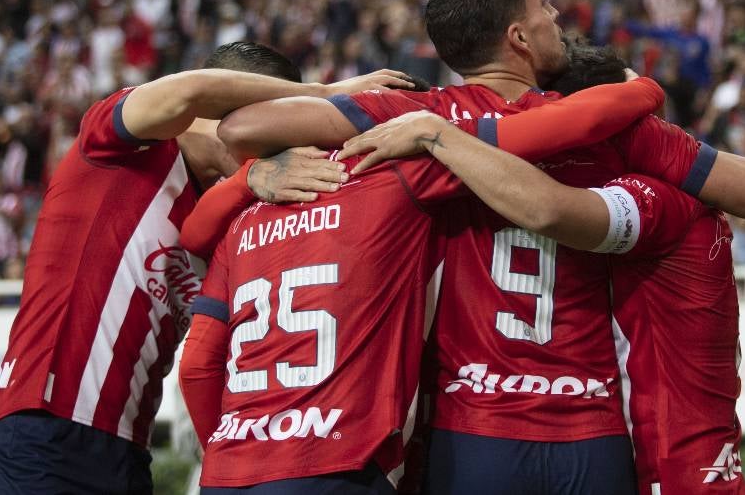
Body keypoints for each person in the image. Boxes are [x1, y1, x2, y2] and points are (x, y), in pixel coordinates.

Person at [218, 0, 745, 494]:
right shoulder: (611, 126)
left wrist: (259, 172)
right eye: (545, 6)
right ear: (518, 36)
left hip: (471, 437)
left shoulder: (420, 117)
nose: (557, 14)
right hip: (591, 434)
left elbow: (245, 124)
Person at [177, 76, 668, 493]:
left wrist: (243, 180)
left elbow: (197, 366)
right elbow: (544, 137)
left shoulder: (235, 224)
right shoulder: (390, 174)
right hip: (337, 462)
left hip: (228, 469)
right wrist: (643, 87)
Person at [0, 41, 415, 494]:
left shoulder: (227, 211)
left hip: (126, 452)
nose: (270, 149)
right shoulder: (120, 146)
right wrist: (325, 93)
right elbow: (187, 92)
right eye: (272, 128)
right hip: (42, 426)